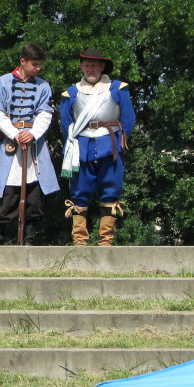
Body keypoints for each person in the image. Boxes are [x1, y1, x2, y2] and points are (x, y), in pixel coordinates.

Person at [0, 43, 60, 245]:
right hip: (10, 145)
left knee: (34, 195)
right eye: (34, 64)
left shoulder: (43, 86)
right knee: (5, 193)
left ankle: (29, 241)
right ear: (22, 61)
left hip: (34, 146)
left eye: (40, 64)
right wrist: (15, 134)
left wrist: (32, 134)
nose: (38, 68)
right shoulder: (2, 82)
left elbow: (46, 113)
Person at [59, 49, 135, 246]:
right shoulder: (71, 92)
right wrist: (73, 145)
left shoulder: (118, 88)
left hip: (110, 146)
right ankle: (79, 240)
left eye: (94, 65)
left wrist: (120, 140)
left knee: (111, 190)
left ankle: (106, 241)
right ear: (82, 67)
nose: (90, 68)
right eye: (86, 65)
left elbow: (128, 119)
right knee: (79, 192)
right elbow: (66, 122)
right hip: (81, 147)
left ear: (102, 67)